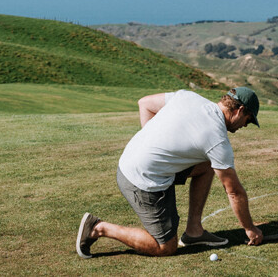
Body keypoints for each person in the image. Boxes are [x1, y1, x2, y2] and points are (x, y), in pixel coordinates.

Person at [76, 87, 265, 258]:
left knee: (208, 164)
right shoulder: (217, 139)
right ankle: (98, 228)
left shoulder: (188, 96)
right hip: (140, 179)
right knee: (165, 247)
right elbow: (233, 191)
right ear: (239, 110)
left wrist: (153, 146)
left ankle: (194, 231)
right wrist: (250, 228)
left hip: (130, 160)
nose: (245, 126)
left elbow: (145, 103)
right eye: (248, 120)